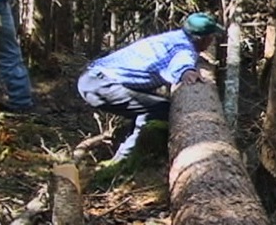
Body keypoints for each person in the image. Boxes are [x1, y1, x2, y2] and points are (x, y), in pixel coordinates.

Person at [77, 12, 224, 161]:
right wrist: (188, 71)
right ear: (201, 38)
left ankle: (127, 154)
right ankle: (124, 160)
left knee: (150, 106)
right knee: (165, 109)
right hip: (100, 84)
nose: (212, 41)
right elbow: (182, 62)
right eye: (211, 37)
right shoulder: (184, 47)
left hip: (93, 78)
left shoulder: (175, 37)